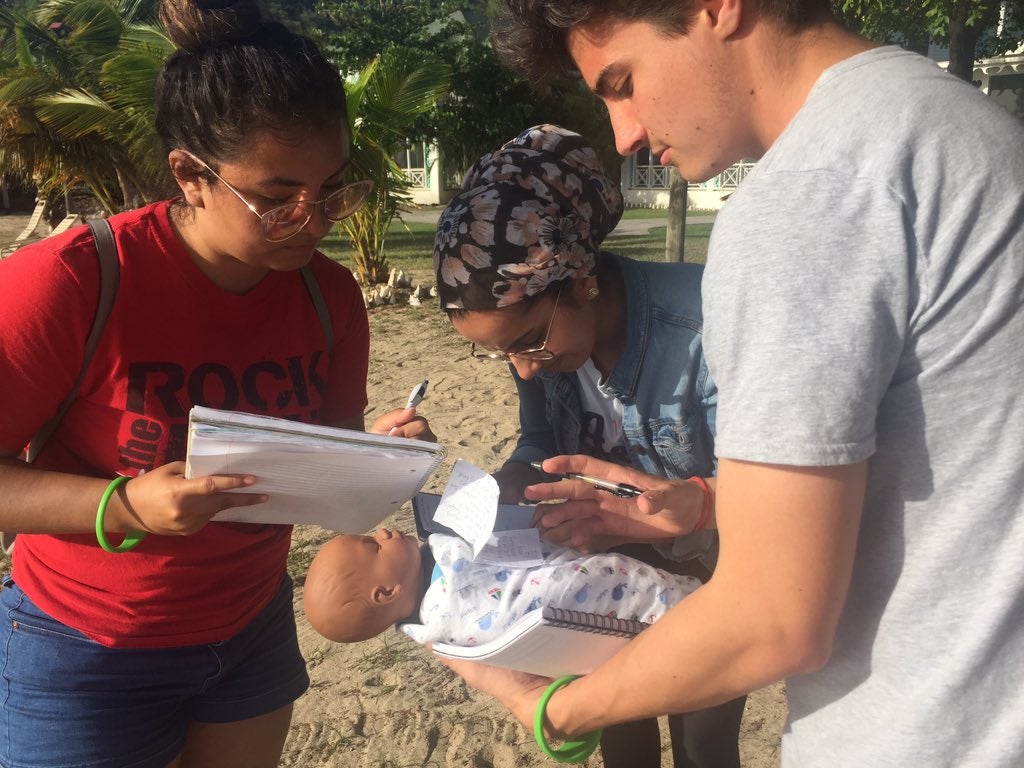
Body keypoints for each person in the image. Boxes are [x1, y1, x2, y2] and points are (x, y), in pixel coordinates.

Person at [439, 2, 1024, 767]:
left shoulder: (806, 198)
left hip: (921, 729)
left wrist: (552, 708)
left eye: (623, 81)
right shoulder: (961, 127)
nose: (624, 135)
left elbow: (772, 616)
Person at [0, 2, 430, 767]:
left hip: (249, 635)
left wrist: (375, 456)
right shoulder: (73, 282)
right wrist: (122, 504)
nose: (313, 219)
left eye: (332, 188)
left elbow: (315, 466)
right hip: (84, 648)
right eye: (277, 197)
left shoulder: (327, 298)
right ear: (190, 176)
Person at [433, 123, 747, 768]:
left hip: (713, 572)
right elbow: (538, 441)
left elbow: (782, 490)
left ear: (580, 281)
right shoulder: (541, 341)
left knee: (705, 744)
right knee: (620, 731)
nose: (522, 368)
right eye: (500, 354)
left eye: (529, 342)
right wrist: (507, 490)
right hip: (602, 579)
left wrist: (695, 500)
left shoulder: (710, 329)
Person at [302, 527, 702, 645]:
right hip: (615, 594)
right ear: (386, 592)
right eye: (373, 545)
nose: (384, 531)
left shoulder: (433, 627)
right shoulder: (451, 575)